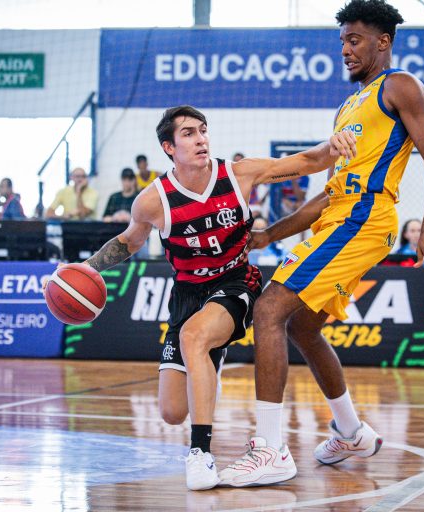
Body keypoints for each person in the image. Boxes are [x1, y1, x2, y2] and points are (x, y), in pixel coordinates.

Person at [219, 0, 424, 487]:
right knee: (302, 326)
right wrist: (268, 235)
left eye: (355, 40)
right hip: (342, 215)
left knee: (269, 310)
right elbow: (328, 194)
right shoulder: (348, 107)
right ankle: (351, 432)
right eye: (343, 41)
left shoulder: (400, 85)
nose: (345, 49)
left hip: (365, 217)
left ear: (383, 42)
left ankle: (270, 450)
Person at [71, 105, 356, 491]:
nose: (200, 139)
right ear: (169, 147)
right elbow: (129, 242)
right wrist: (86, 268)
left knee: (194, 337)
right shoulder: (152, 201)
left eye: (203, 130)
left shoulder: (238, 174)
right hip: (187, 294)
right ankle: (209, 361)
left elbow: (306, 162)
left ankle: (200, 454)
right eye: (188, 133)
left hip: (237, 283)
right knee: (172, 411)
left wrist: (333, 144)